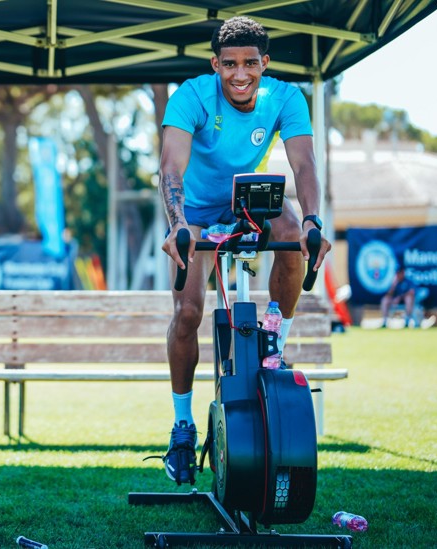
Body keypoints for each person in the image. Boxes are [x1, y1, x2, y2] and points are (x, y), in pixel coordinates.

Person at [157, 16, 332, 485]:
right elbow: (170, 167)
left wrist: (315, 220)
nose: (240, 74)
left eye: (250, 64)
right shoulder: (192, 95)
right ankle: (181, 425)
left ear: (264, 63)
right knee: (190, 312)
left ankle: (275, 339)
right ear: (216, 64)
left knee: (294, 232)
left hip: (245, 199)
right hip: (192, 211)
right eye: (229, 64)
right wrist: (177, 226)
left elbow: (304, 163)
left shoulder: (286, 97)